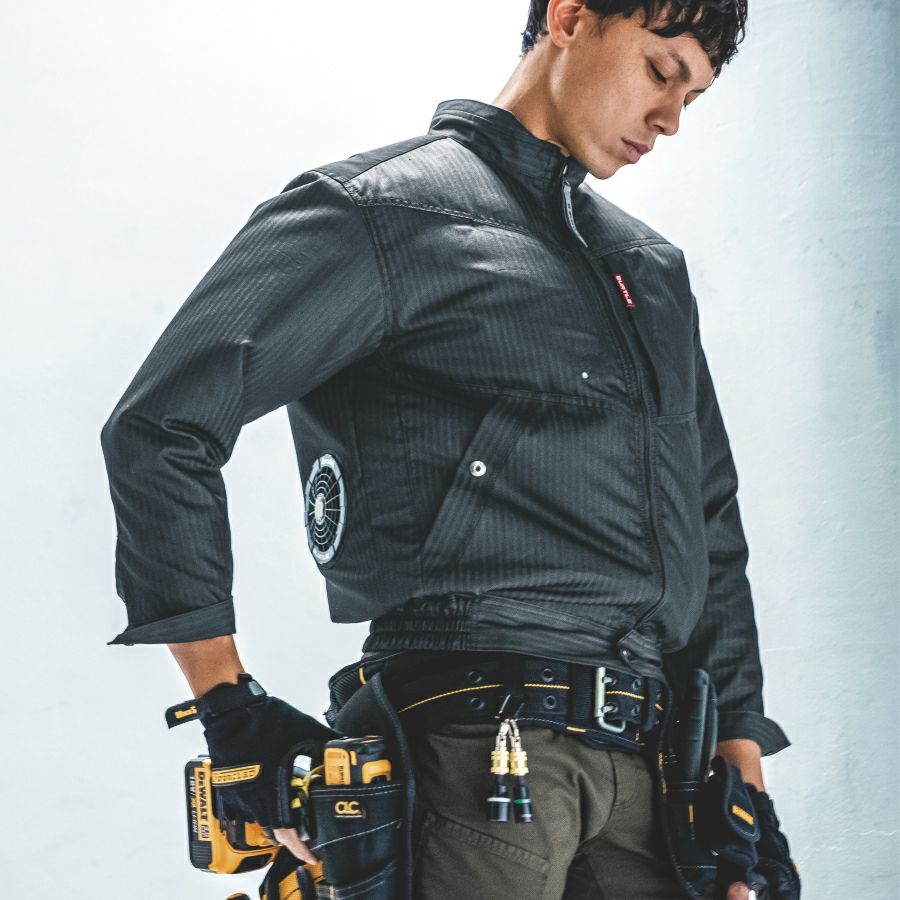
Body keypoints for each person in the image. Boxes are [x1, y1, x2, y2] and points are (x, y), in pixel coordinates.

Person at [100, 1, 800, 898]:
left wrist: (743, 784)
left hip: (656, 785)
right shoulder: (383, 212)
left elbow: (708, 523)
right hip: (472, 758)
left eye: (692, 98)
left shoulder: (650, 271)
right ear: (570, 18)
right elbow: (162, 425)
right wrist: (229, 709)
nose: (668, 118)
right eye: (661, 72)